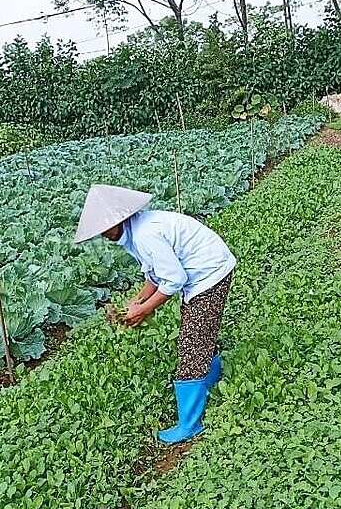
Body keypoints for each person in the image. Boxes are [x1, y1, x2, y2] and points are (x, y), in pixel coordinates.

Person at [74, 184, 236, 444]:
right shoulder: (135, 233)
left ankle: (189, 423)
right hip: (204, 272)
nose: (104, 234)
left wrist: (145, 309)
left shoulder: (145, 234)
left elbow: (173, 279)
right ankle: (211, 379)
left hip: (209, 273)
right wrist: (135, 302)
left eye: (106, 227)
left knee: (191, 343)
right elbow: (153, 274)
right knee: (199, 330)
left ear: (120, 219)